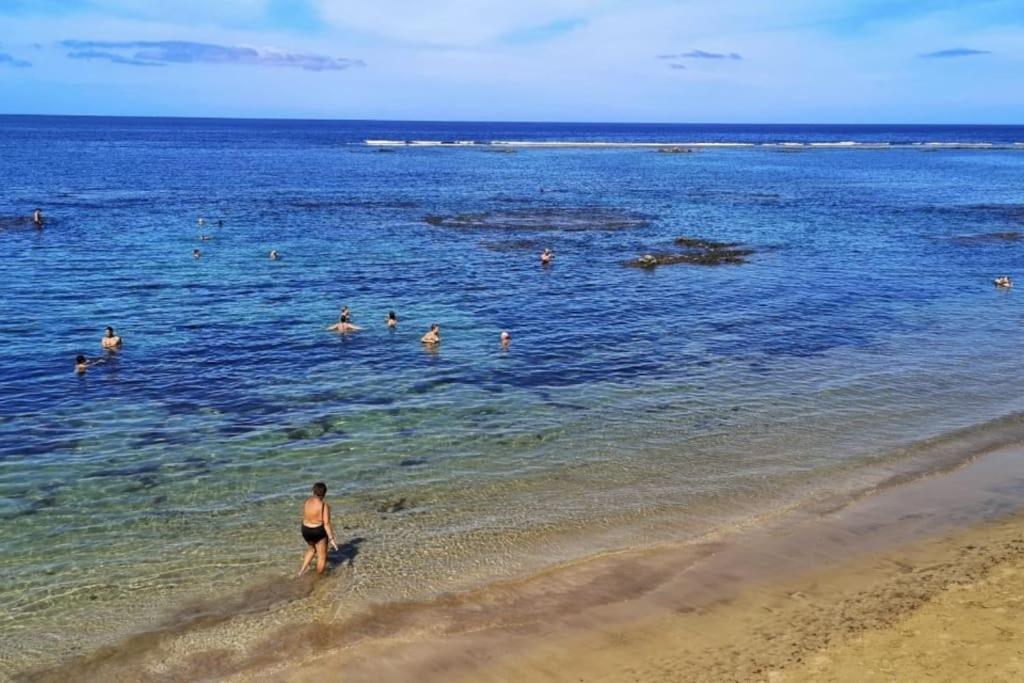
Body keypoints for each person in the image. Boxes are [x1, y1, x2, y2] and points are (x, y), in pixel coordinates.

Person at [298, 482, 338, 576]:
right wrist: (331, 539)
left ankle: (301, 571)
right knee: (322, 556)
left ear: (313, 491)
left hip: (305, 529)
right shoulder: (324, 506)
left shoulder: (307, 501)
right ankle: (318, 578)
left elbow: (306, 515)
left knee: (311, 549)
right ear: (324, 493)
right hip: (318, 531)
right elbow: (326, 524)